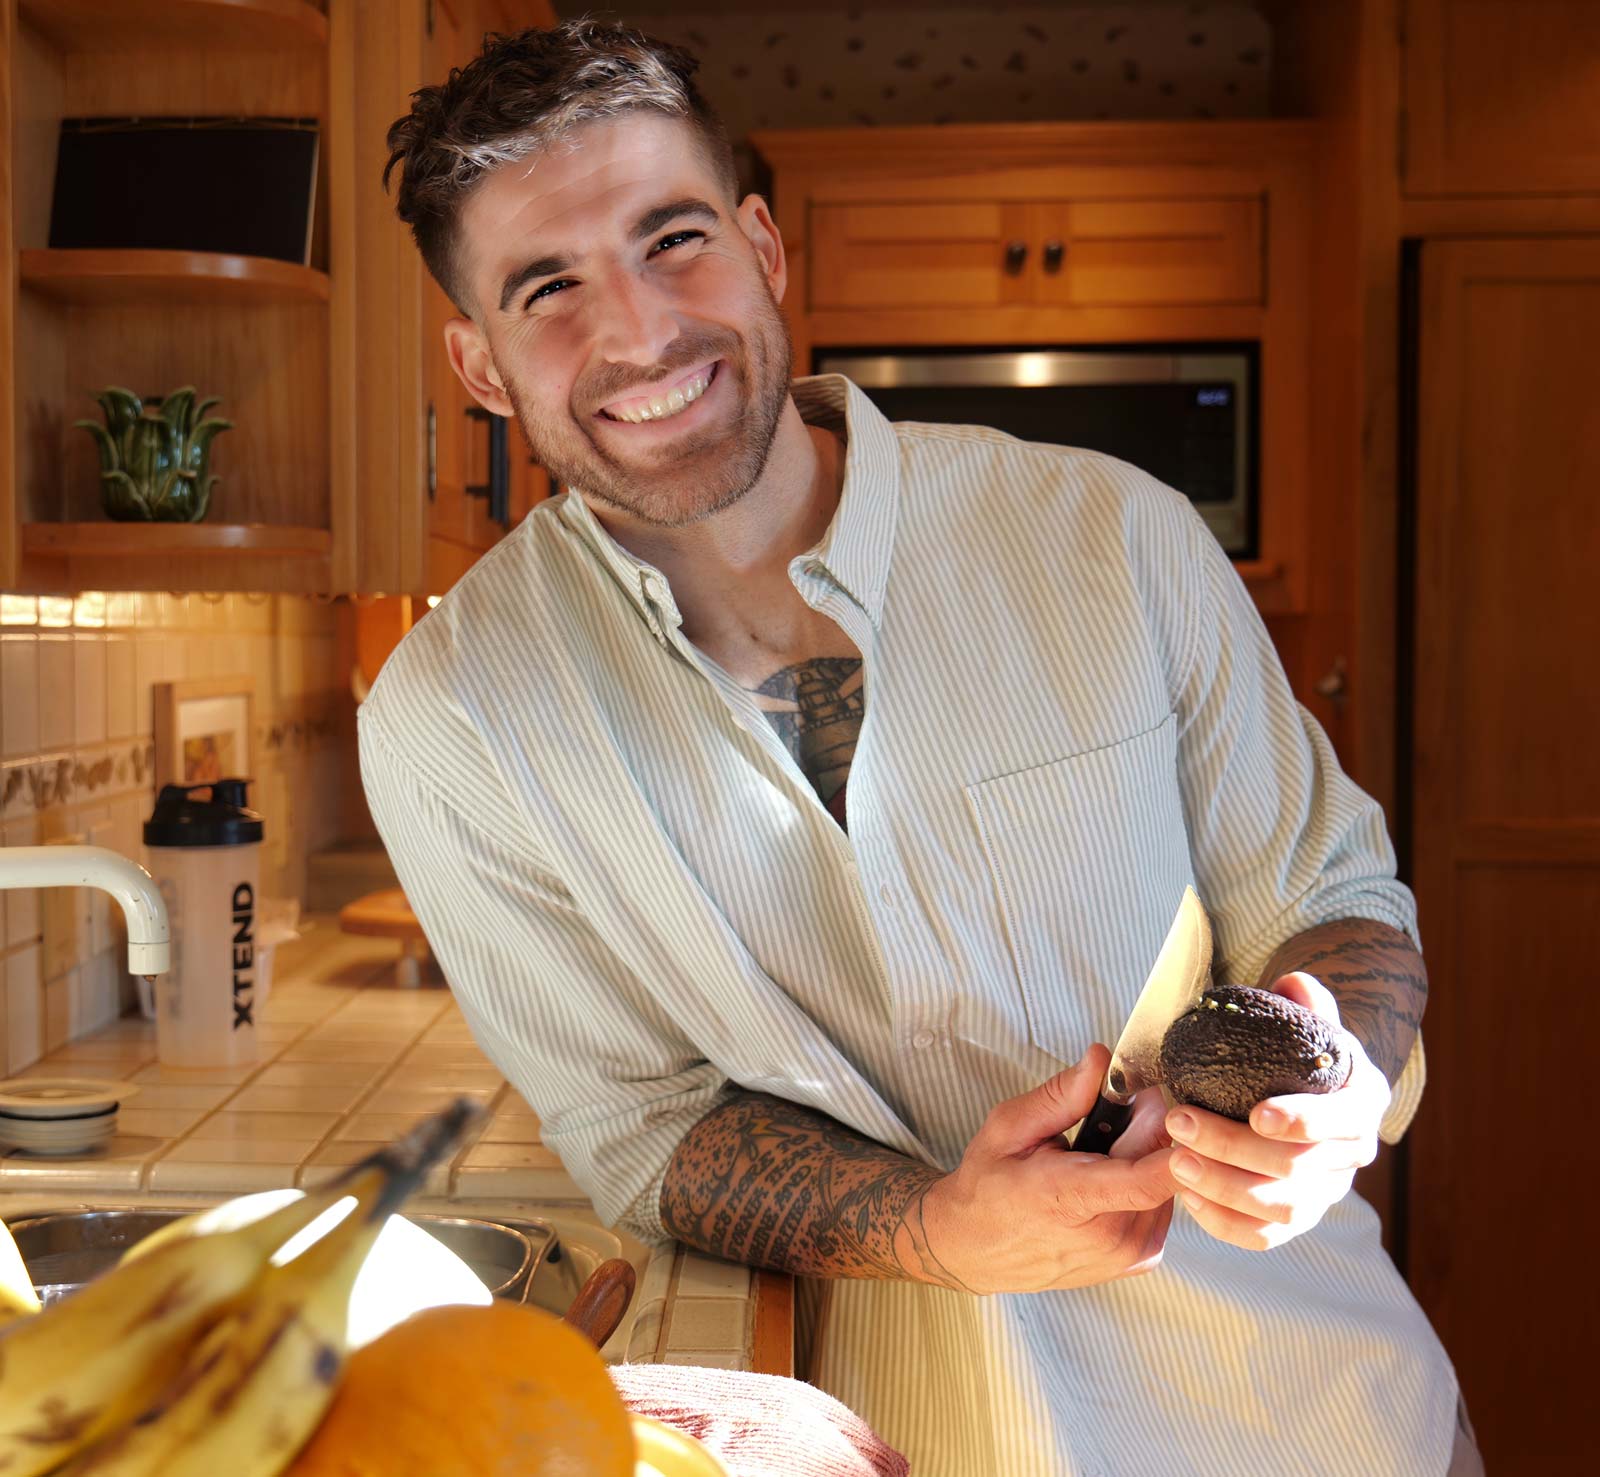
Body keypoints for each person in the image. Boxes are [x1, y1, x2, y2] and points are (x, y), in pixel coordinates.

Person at [362, 21, 1477, 1477]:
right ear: (480, 364)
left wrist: (1331, 1083)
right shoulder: (453, 719)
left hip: (1314, 1419)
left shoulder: (1114, 534)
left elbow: (1337, 894)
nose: (636, 331)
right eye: (547, 287)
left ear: (763, 246)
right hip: (921, 1440)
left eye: (673, 238)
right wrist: (933, 1226)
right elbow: (648, 1130)